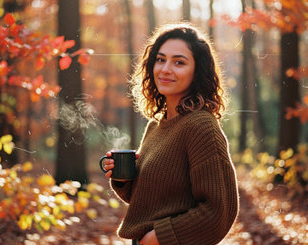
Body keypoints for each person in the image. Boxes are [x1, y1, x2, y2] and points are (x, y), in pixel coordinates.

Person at [101, 22, 239, 245]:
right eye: (160, 59)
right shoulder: (156, 126)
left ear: (197, 72)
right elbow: (153, 204)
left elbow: (218, 212)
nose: (165, 69)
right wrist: (124, 178)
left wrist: (159, 237)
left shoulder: (201, 126)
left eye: (179, 62)